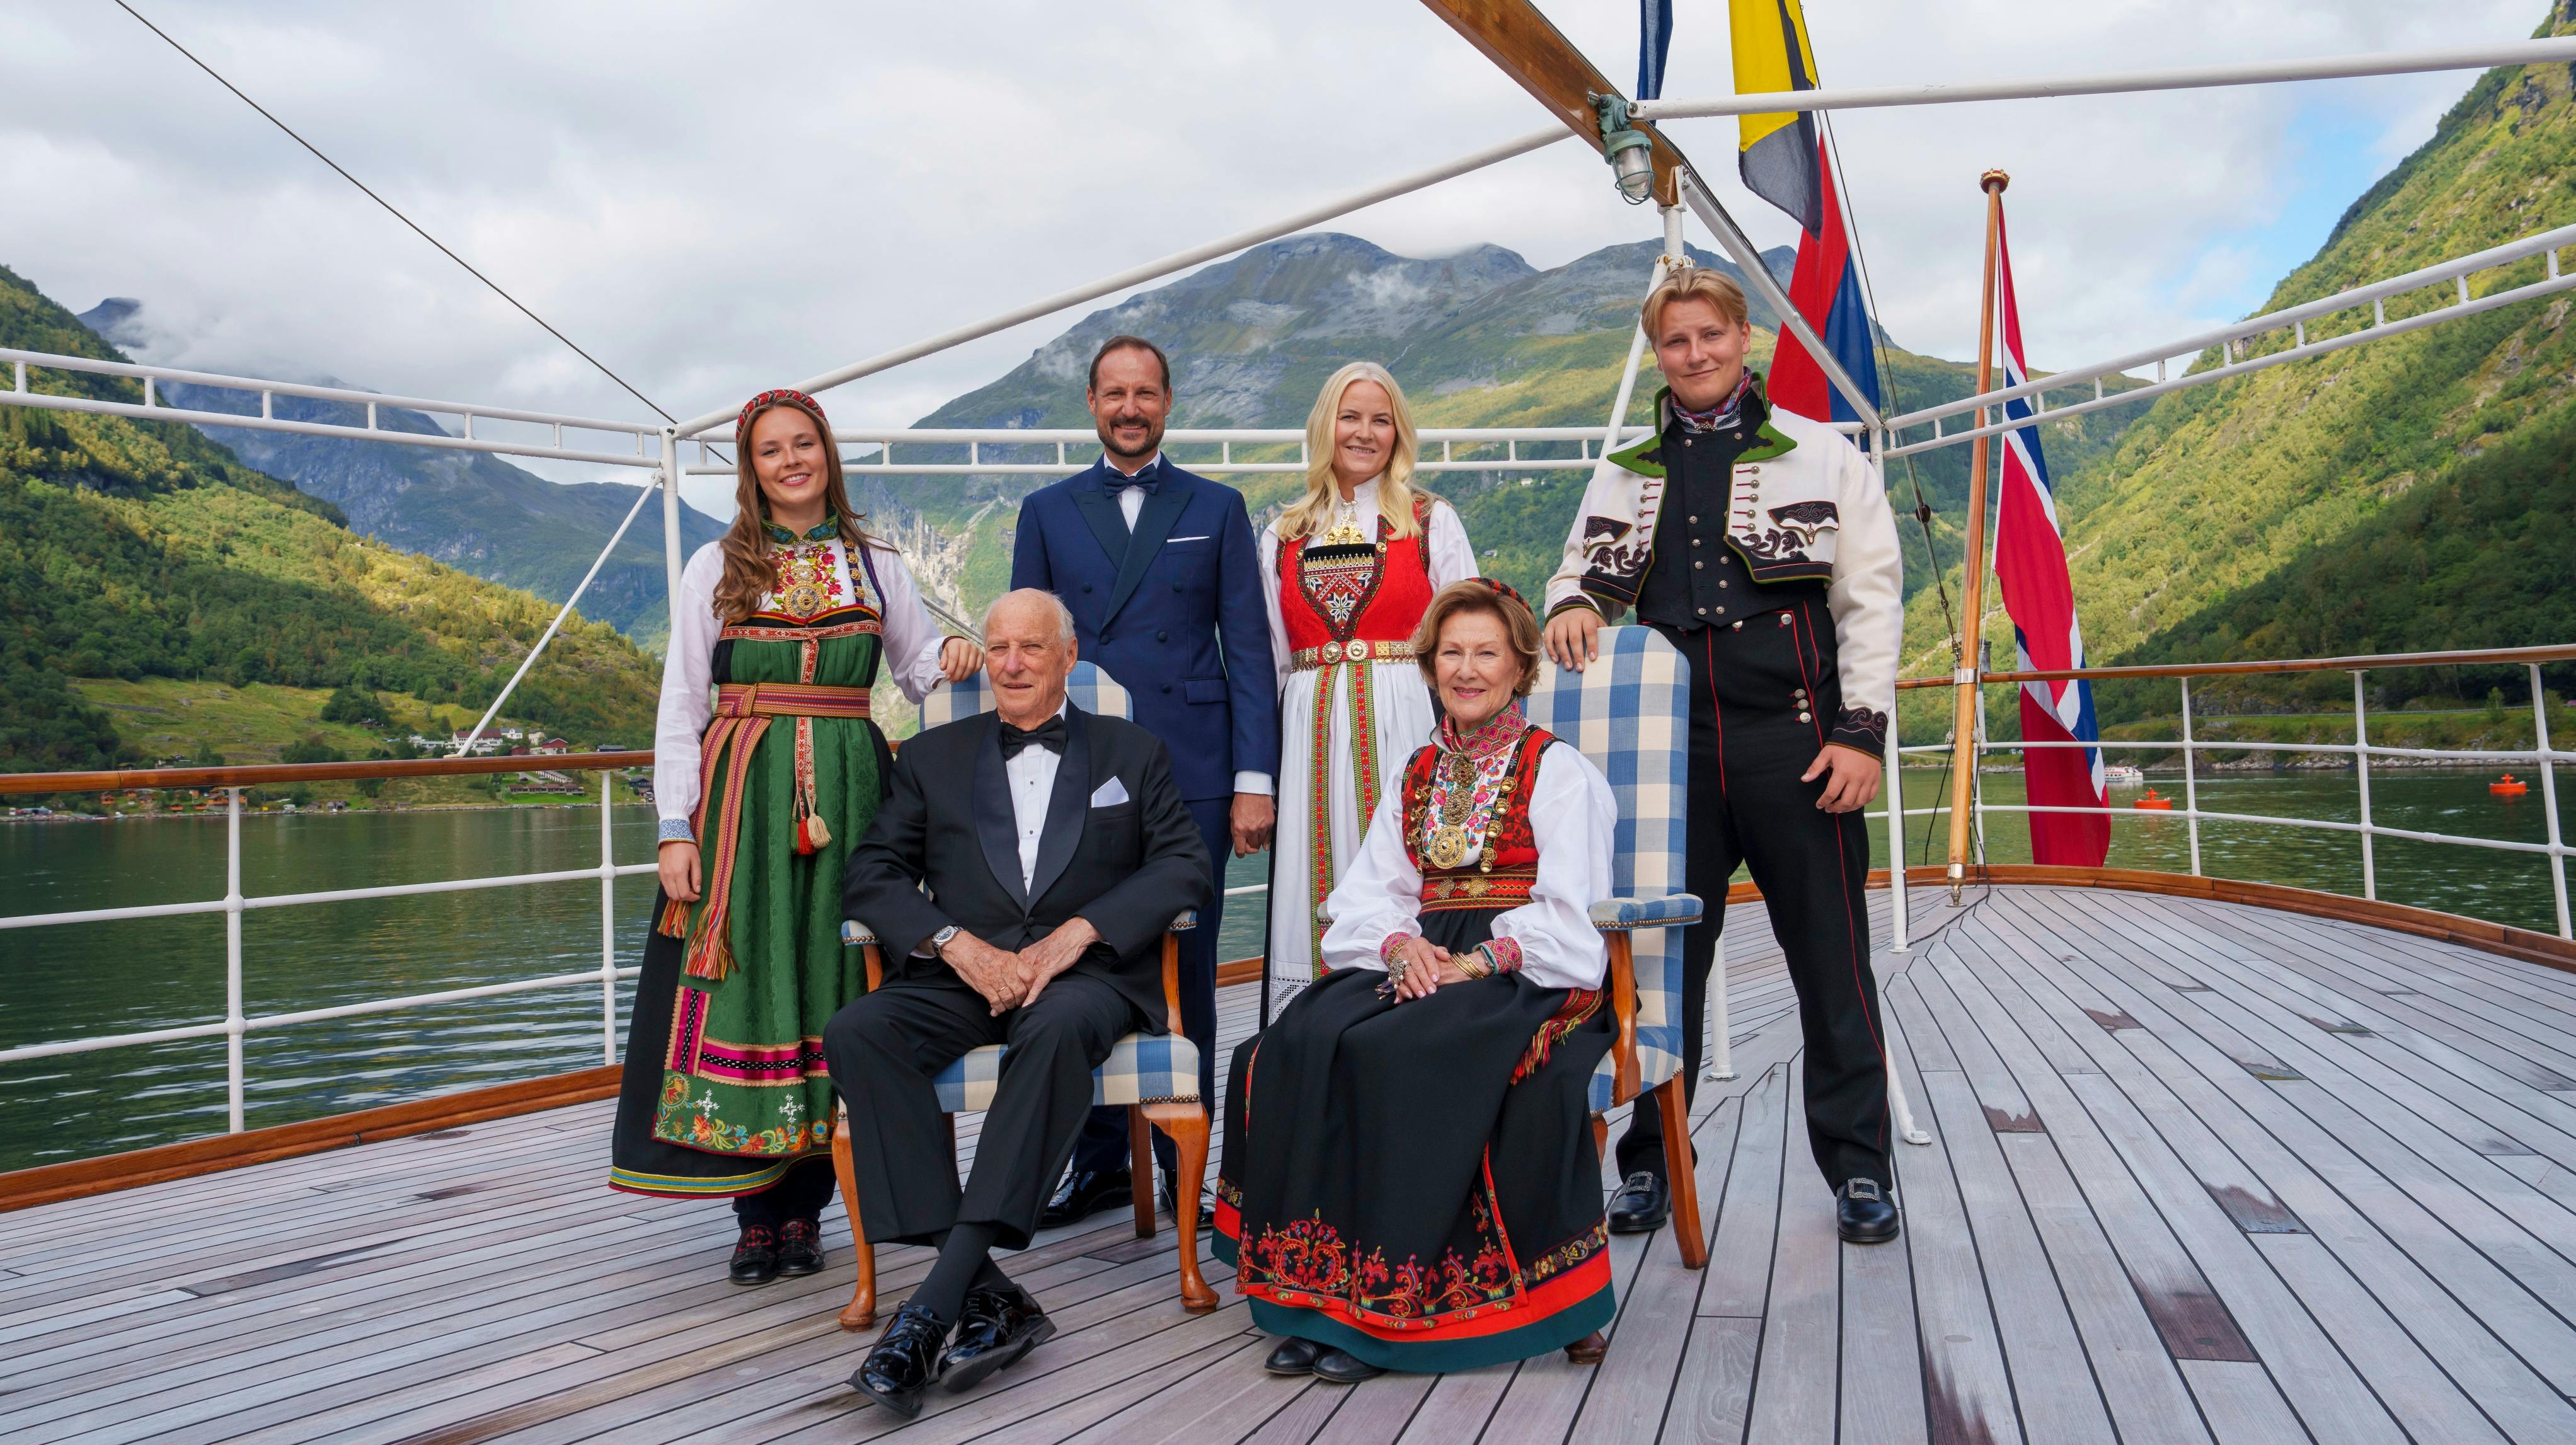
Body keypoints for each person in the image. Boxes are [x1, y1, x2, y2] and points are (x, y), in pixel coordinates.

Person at [1541, 265, 1904, 1245]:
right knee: (1662, 969)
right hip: (1669, 760)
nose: (1694, 354)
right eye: (1675, 341)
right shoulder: (1624, 469)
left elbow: (1868, 601)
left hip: (1799, 743)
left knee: (1832, 965)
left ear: (1744, 338)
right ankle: (1653, 1162)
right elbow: (1575, 571)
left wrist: (1860, 732)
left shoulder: (1824, 456)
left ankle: (1860, 1170)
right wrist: (1572, 601)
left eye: (1710, 335)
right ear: (1657, 352)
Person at [611, 388, 981, 1284]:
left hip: (854, 795)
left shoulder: (877, 562)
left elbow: (918, 668)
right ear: (752, 469)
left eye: (803, 444)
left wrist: (960, 658)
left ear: (827, 453)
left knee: (831, 982)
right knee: (751, 979)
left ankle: (810, 1208)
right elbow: (682, 705)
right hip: (741, 798)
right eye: (771, 450)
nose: (790, 461)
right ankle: (754, 1213)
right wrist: (674, 825)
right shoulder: (716, 565)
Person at [1216, 580, 1621, 1382]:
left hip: (1526, 968)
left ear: (1518, 666)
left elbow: (1570, 911)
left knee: (1399, 1052)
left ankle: (1391, 1306)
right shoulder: (1417, 769)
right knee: (1296, 1039)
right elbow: (1371, 891)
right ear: (1430, 668)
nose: (1466, 670)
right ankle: (1315, 1292)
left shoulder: (1558, 770)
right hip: (1423, 953)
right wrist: (1402, 948)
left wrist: (1476, 960)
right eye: (1451, 654)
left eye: (1485, 653)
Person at [827, 588, 1211, 1417]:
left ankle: (930, 1306)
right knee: (858, 1031)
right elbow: (873, 876)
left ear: (1067, 656)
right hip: (963, 975)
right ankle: (992, 1290)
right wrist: (955, 945)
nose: (1010, 663)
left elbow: (1185, 867)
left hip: (1086, 979)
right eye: (997, 647)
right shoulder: (931, 759)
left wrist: (1079, 933)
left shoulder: (1133, 751)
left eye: (1031, 648)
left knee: (1062, 1027)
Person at [1011, 335, 1278, 1225]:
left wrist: (1254, 780)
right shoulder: (1045, 511)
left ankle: (1181, 1167)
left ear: (1169, 402)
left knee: (1185, 964)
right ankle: (1097, 1165)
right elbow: (1025, 652)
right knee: (1074, 959)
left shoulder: (1219, 505)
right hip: (1075, 767)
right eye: (1114, 393)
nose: (1130, 408)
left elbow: (1245, 649)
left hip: (1193, 768)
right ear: (1092, 403)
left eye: (1147, 393)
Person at [1258, 362, 1476, 1020]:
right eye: (1349, 417)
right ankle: (1313, 1035)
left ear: (1398, 433)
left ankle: (1414, 1023)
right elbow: (1270, 660)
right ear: (1324, 426)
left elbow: (1467, 638)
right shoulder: (1280, 534)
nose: (1363, 432)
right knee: (1312, 876)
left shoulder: (1430, 520)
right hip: (1310, 730)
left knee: (1407, 867)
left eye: (1380, 419)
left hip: (1405, 717)